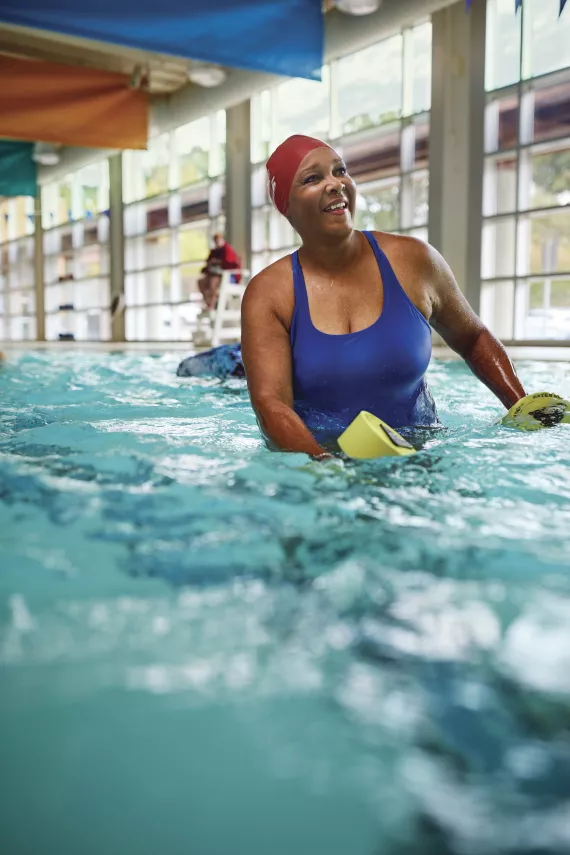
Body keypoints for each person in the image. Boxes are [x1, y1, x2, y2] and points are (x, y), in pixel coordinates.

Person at [241, 134, 527, 458]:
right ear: (286, 206)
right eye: (312, 178)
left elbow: (473, 338)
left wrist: (522, 406)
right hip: (317, 464)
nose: (335, 184)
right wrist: (324, 469)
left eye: (340, 170)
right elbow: (271, 404)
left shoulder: (413, 260)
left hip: (419, 452)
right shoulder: (270, 293)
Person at [197, 233, 241, 311]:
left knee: (213, 282)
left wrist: (219, 262)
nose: (217, 242)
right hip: (215, 274)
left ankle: (212, 305)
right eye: (216, 241)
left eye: (218, 240)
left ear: (222, 239)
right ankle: (209, 303)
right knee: (201, 282)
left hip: (228, 276)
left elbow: (231, 264)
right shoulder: (214, 251)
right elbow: (208, 263)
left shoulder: (227, 249)